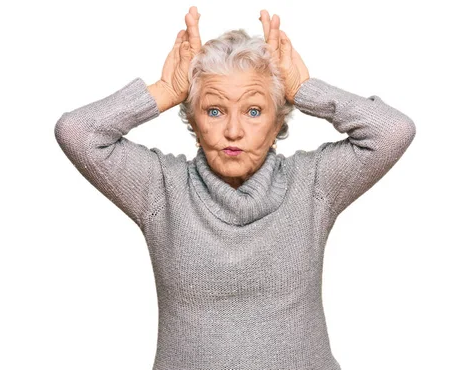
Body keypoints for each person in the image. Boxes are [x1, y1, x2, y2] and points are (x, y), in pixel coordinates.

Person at [54, 6, 416, 370]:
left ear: (278, 122)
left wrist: (305, 90)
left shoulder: (313, 184)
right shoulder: (160, 189)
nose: (233, 131)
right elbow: (78, 132)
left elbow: (392, 132)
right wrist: (165, 91)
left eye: (254, 110)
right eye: (214, 110)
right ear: (193, 121)